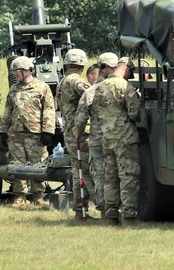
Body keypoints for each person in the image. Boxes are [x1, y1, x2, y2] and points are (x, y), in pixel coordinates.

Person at [0, 55, 56, 208]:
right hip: (16, 134)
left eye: (16, 71)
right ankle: (20, 196)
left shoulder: (42, 87)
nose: (15, 74)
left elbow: (49, 110)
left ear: (26, 70)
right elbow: (8, 111)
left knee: (37, 165)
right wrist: (3, 130)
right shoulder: (13, 89)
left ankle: (38, 195)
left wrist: (48, 131)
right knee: (17, 165)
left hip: (36, 134)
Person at [93, 54, 142, 225]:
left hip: (107, 139)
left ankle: (111, 216)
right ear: (126, 69)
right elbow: (134, 113)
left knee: (110, 178)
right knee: (128, 176)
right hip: (125, 139)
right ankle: (129, 216)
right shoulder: (125, 87)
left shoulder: (99, 87)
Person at [56, 49, 94, 219]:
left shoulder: (63, 81)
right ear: (82, 63)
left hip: (70, 132)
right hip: (80, 133)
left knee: (77, 170)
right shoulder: (75, 81)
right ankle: (99, 207)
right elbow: (93, 94)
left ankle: (80, 209)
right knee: (86, 171)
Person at [76, 61, 107, 219]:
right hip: (120, 139)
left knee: (100, 175)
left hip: (96, 140)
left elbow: (81, 120)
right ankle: (127, 211)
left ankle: (105, 213)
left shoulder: (90, 92)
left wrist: (77, 135)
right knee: (120, 174)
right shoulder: (124, 87)